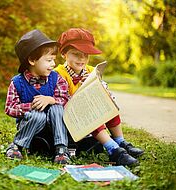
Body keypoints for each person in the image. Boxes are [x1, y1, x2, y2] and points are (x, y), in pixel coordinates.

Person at [55, 28, 144, 166]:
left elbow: (102, 90)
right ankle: (113, 150)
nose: (82, 59)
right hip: (70, 119)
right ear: (63, 54)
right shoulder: (58, 74)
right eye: (76, 54)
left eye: (85, 55)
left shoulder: (91, 70)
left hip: (88, 117)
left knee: (107, 102)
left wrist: (102, 91)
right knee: (89, 110)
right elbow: (61, 102)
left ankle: (120, 141)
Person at [4, 29, 70, 164]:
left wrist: (51, 100)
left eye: (54, 60)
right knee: (37, 114)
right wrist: (31, 107)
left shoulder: (56, 78)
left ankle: (61, 149)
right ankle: (18, 146)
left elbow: (65, 99)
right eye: (49, 60)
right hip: (31, 125)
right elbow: (10, 108)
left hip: (54, 126)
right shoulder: (17, 82)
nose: (53, 64)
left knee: (57, 108)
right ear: (32, 60)